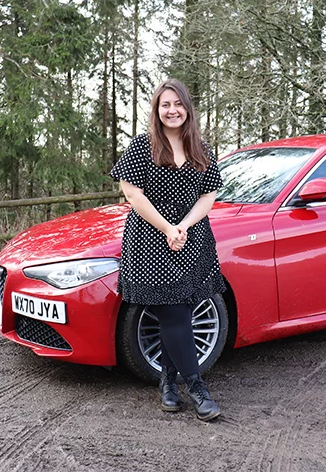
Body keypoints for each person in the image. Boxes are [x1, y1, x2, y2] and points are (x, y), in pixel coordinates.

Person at [110, 79, 226, 421]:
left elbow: (209, 195)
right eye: (165, 104)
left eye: (178, 104)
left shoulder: (201, 149)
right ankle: (197, 388)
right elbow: (132, 194)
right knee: (173, 314)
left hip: (191, 238)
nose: (172, 110)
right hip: (150, 240)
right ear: (157, 111)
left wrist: (184, 226)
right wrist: (167, 228)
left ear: (187, 109)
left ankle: (167, 383)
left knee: (181, 312)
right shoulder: (142, 146)